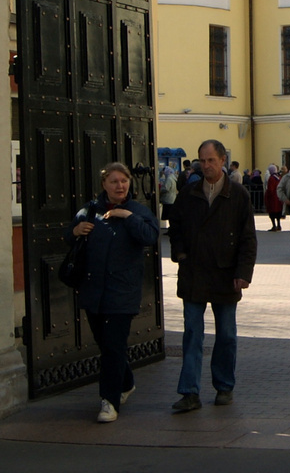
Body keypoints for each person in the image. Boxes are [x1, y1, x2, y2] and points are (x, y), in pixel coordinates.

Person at [65, 162, 160, 423]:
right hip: (93, 290)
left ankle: (109, 401)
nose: (120, 185)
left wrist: (127, 216)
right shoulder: (89, 210)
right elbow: (68, 236)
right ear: (104, 184)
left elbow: (150, 236)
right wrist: (75, 231)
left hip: (122, 291)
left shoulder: (138, 210)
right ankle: (126, 382)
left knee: (113, 347)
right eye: (114, 181)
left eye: (124, 181)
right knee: (106, 345)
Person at [168, 139, 257, 413]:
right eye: (202, 161)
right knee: (192, 334)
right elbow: (176, 228)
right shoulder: (188, 193)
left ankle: (224, 386)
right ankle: (189, 392)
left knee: (226, 334)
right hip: (194, 272)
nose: (206, 166)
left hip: (225, 274)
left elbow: (248, 238)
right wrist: (180, 254)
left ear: (222, 161)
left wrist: (243, 273)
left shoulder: (238, 194)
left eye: (211, 161)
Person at [264, 164, 282, 231]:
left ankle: (274, 225)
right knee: (278, 212)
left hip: (272, 198)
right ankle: (279, 225)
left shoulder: (271, 178)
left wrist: (267, 196)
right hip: (278, 197)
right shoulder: (279, 177)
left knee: (272, 212)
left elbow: (270, 189)